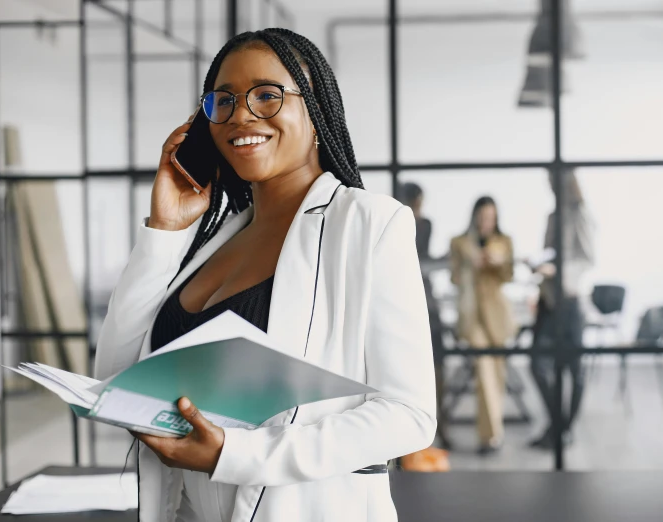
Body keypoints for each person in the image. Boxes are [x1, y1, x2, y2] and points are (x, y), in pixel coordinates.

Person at [94, 28, 436, 522]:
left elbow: (410, 416)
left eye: (267, 96)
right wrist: (164, 229)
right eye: (224, 100)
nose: (241, 116)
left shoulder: (368, 225)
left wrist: (230, 455)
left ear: (316, 110)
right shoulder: (212, 239)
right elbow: (116, 381)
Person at [528, 168, 595, 449]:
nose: (550, 187)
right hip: (548, 301)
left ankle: (564, 429)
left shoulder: (579, 214)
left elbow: (587, 258)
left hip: (569, 302)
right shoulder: (552, 216)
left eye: (553, 182)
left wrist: (557, 270)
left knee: (574, 370)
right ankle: (558, 426)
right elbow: (549, 254)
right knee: (538, 364)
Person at [450, 196, 515, 454]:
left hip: (498, 317)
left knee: (496, 373)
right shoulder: (459, 243)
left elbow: (508, 276)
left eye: (491, 217)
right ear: (475, 216)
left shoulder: (504, 242)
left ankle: (492, 429)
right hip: (473, 315)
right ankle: (491, 436)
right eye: (483, 216)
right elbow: (454, 277)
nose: (487, 222)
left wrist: (499, 263)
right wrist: (470, 266)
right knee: (485, 368)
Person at [398, 182, 451, 451]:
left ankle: (438, 422)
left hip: (425, 299)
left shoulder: (423, 224)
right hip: (410, 299)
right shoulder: (399, 222)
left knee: (438, 362)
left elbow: (422, 261)